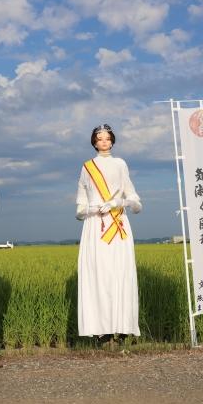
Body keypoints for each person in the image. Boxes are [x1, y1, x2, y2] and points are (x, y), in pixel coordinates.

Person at [75, 124, 142, 343]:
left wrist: (117, 202)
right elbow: (79, 208)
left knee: (120, 272)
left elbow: (135, 202)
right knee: (98, 275)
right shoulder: (87, 167)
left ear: (112, 141)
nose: (104, 142)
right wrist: (91, 209)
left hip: (118, 225)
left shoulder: (120, 164)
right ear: (94, 143)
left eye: (107, 138)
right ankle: (100, 330)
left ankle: (122, 327)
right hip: (95, 226)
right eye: (100, 139)